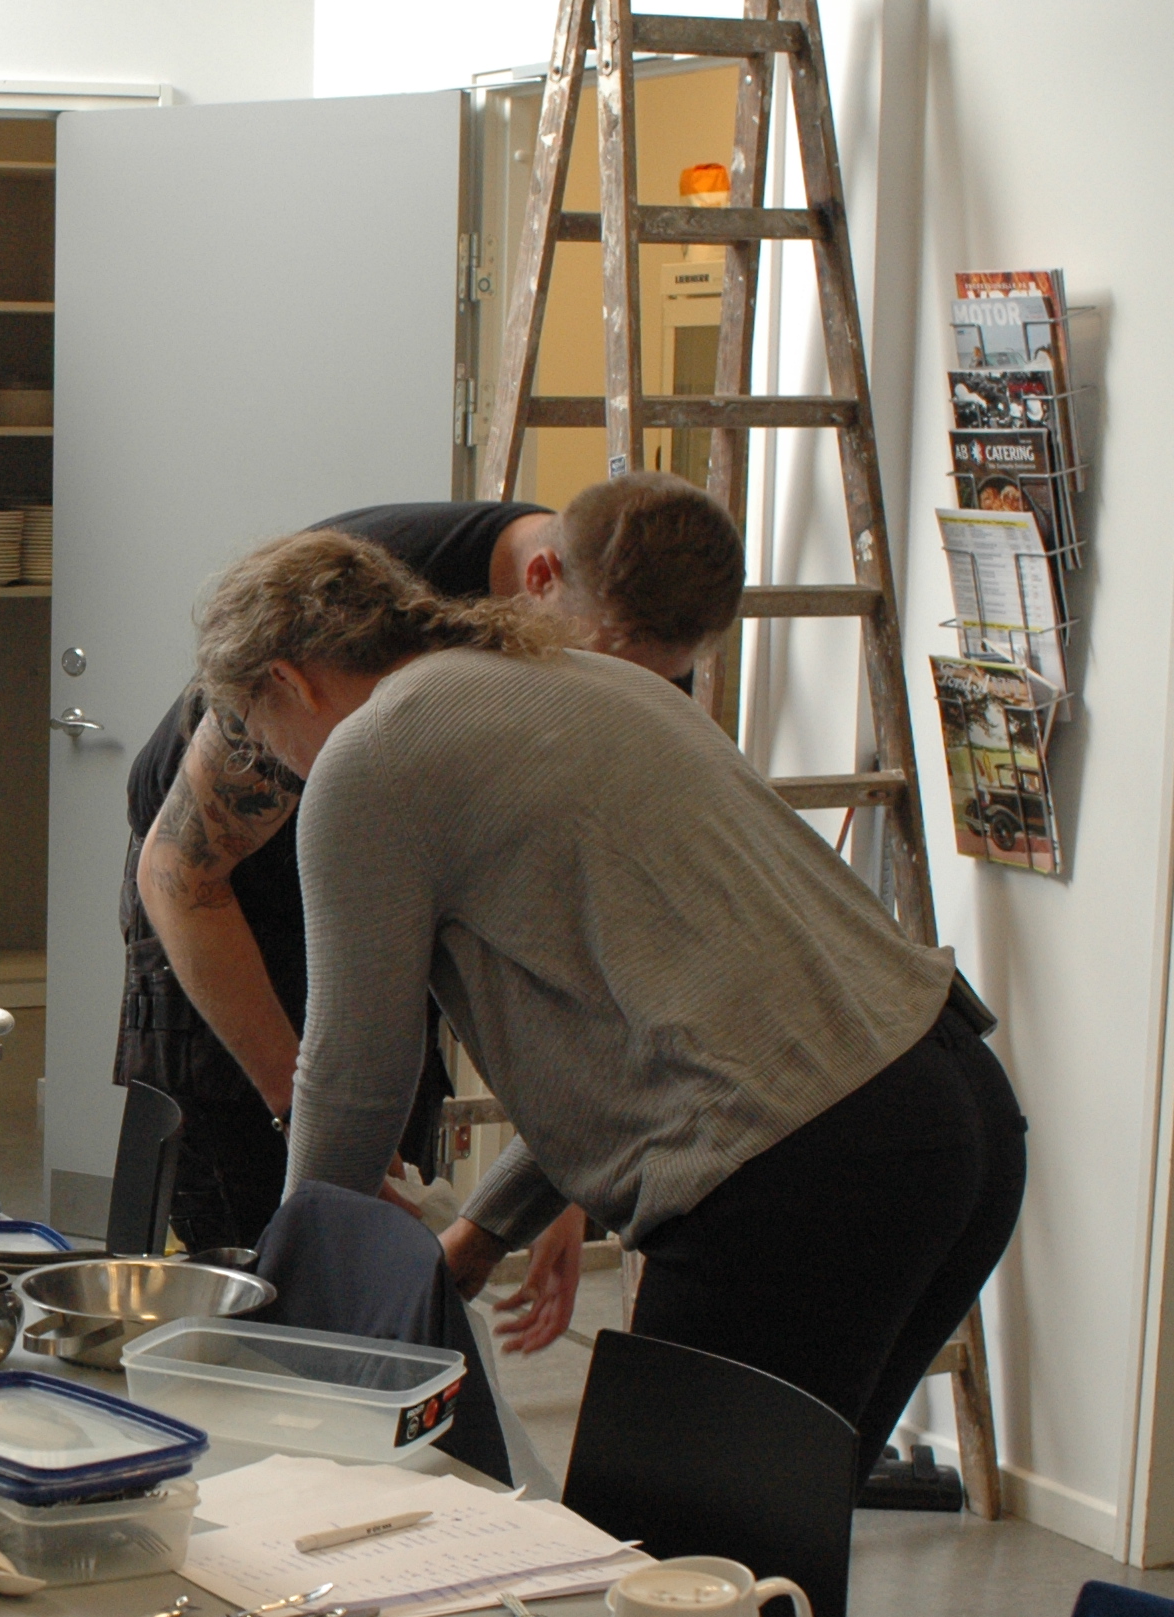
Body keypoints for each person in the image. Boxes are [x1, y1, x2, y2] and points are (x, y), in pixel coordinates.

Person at [193, 529, 1023, 1477]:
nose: (282, 768)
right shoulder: (589, 678)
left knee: (657, 1555)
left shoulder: (370, 757)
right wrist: (485, 1229)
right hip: (956, 1113)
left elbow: (354, 1078)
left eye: (260, 734)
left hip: (802, 1172)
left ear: (290, 681)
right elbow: (639, 1036)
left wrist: (286, 1299)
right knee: (772, 1528)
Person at [118, 476, 746, 1342]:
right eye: (601, 661)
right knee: (270, 1266)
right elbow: (180, 878)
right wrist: (299, 1108)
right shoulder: (342, 619)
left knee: (385, 1236)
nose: (608, 693)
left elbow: (564, 948)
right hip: (228, 912)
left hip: (389, 898)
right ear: (540, 582)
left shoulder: (617, 659)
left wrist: (565, 1180)